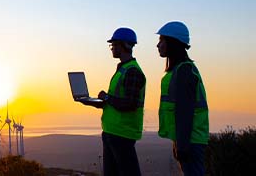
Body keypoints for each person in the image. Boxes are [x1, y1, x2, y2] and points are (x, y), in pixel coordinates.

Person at [79, 27, 146, 176]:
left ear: (124, 45)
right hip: (111, 132)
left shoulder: (132, 71)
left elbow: (129, 104)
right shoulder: (123, 69)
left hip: (122, 133)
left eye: (114, 45)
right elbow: (114, 103)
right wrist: (90, 101)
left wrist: (107, 97)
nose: (112, 48)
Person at [156, 21, 209, 176]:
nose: (158, 45)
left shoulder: (184, 70)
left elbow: (184, 111)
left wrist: (182, 144)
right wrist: (178, 141)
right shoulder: (180, 69)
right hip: (188, 139)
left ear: (173, 43)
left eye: (162, 40)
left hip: (191, 140)